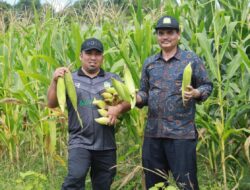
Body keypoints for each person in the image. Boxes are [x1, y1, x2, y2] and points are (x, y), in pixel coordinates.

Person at [136, 16, 213, 190]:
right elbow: (145, 93)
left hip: (181, 136)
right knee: (154, 185)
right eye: (161, 33)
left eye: (170, 32)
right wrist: (136, 98)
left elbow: (207, 85)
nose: (165, 37)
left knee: (186, 184)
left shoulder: (191, 60)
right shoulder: (149, 63)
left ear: (178, 35)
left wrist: (196, 92)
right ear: (157, 36)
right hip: (153, 135)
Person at [47, 38, 129, 190]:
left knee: (103, 184)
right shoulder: (69, 78)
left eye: (97, 54)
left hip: (106, 144)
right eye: (89, 53)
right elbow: (52, 104)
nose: (93, 57)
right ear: (81, 56)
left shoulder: (113, 79)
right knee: (75, 178)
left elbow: (129, 101)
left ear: (102, 57)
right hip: (79, 141)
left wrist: (118, 109)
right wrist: (54, 81)